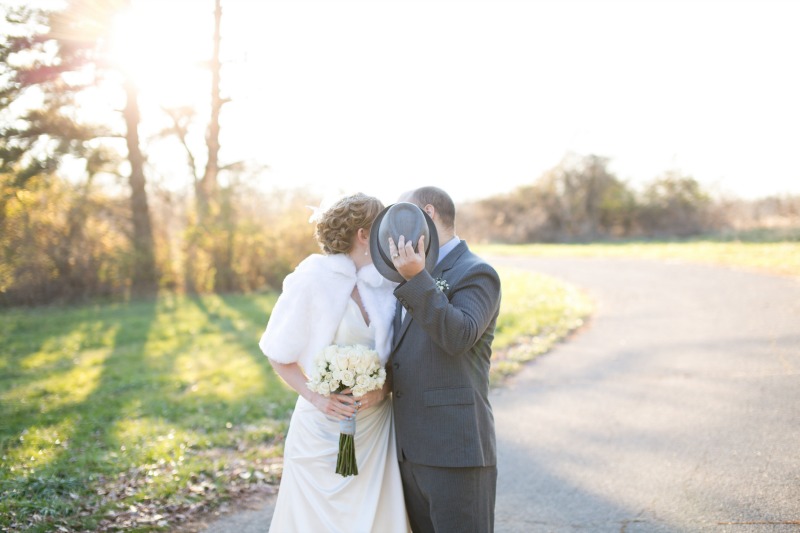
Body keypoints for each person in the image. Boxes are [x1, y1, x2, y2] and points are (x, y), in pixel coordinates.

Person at [258, 193, 411, 533]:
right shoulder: (310, 279)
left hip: (375, 430)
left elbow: (400, 357)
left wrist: (383, 390)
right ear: (362, 234)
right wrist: (318, 398)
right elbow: (277, 353)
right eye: (381, 228)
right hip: (319, 431)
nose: (388, 236)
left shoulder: (388, 284)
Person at [387, 186, 502, 532]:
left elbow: (459, 336)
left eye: (400, 215)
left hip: (456, 452)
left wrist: (417, 278)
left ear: (427, 212)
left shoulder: (476, 272)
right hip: (409, 452)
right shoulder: (407, 273)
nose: (394, 230)